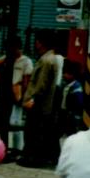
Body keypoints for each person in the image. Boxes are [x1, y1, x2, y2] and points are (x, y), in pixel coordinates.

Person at [19, 33, 60, 168]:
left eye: (36, 41)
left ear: (41, 43)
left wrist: (31, 99)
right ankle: (37, 158)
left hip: (38, 104)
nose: (35, 44)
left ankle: (31, 159)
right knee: (40, 132)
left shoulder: (46, 60)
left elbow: (40, 84)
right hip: (44, 104)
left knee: (33, 132)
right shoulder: (51, 59)